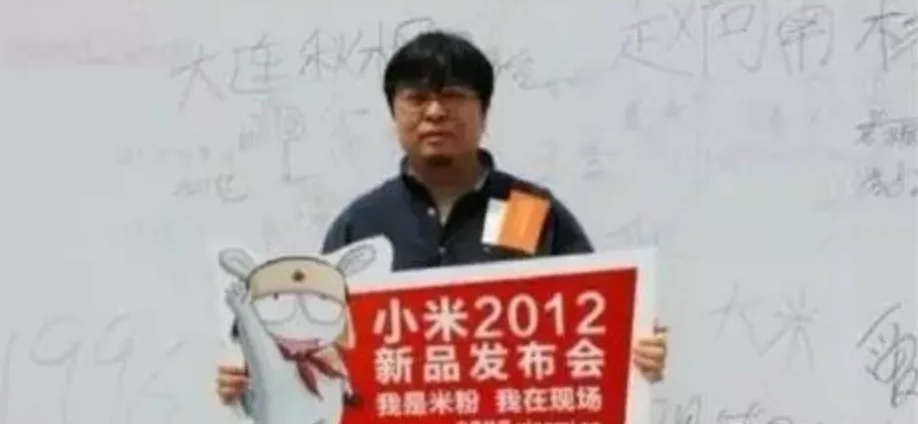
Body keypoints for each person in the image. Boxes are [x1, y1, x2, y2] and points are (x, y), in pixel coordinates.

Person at [216, 29, 668, 406]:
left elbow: (592, 320)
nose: (435, 112)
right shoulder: (363, 223)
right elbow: (316, 343)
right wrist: (252, 376)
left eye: (453, 96)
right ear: (394, 113)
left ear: (484, 112)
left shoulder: (526, 210)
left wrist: (636, 350)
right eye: (417, 98)